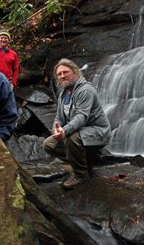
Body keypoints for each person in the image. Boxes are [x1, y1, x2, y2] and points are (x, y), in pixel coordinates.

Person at [42, 58, 111, 189]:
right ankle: (85, 161)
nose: (62, 76)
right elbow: (59, 117)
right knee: (48, 145)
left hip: (97, 131)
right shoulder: (63, 94)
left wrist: (65, 131)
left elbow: (81, 117)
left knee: (72, 137)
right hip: (78, 132)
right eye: (59, 74)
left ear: (75, 72)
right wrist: (56, 129)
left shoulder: (85, 90)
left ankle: (80, 175)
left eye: (65, 72)